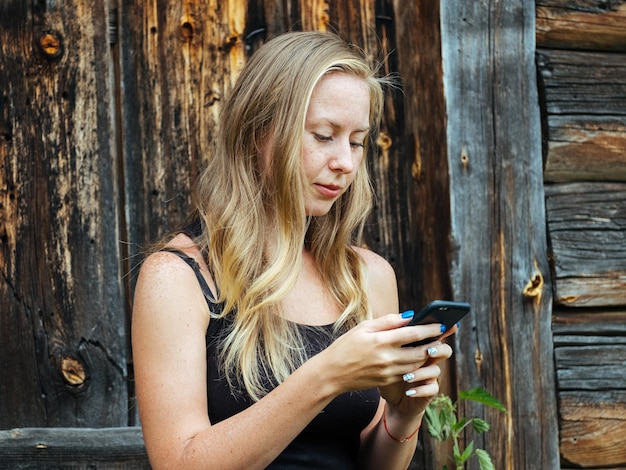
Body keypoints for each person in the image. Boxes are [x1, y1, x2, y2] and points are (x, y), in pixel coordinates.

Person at [131, 30, 455, 469]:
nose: (345, 162)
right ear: (256, 133)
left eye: (357, 141)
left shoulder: (367, 277)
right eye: (324, 135)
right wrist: (327, 375)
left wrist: (403, 413)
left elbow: (374, 465)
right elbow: (179, 463)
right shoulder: (177, 278)